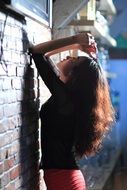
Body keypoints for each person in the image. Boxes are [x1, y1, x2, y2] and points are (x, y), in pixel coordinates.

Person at [29, 33, 115, 190]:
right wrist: (77, 46)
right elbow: (43, 55)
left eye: (75, 59)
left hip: (64, 180)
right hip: (65, 178)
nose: (69, 56)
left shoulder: (66, 100)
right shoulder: (69, 100)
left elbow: (37, 52)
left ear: (76, 75)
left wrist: (75, 41)